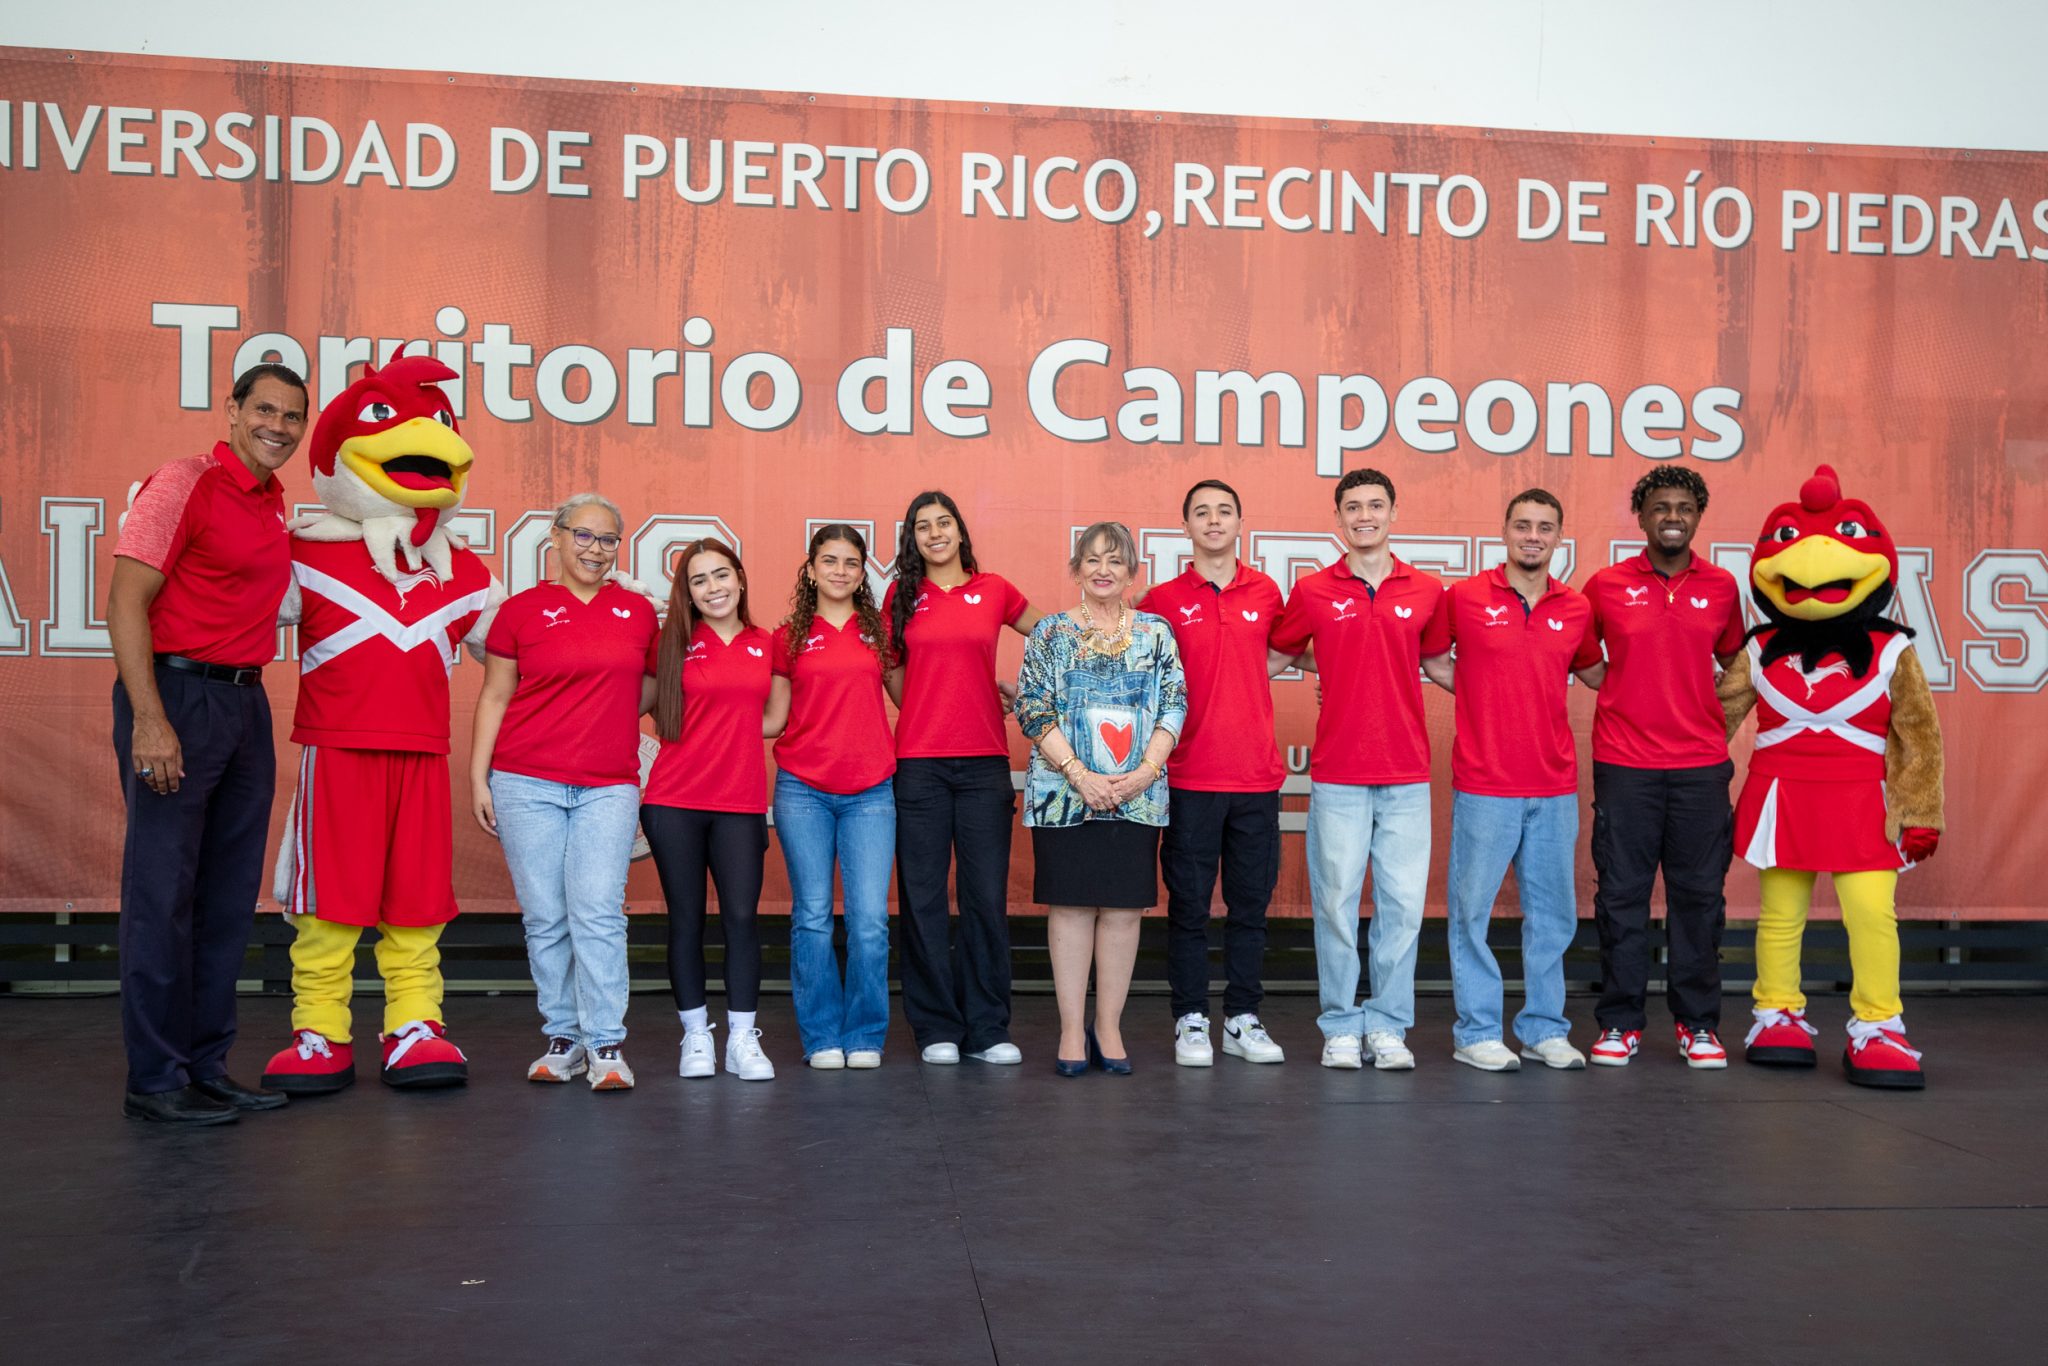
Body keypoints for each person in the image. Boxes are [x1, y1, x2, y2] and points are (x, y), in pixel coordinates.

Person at [107, 362, 307, 1124]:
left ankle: (206, 1066)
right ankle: (155, 1079)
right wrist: (150, 718)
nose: (278, 427)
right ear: (231, 410)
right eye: (264, 410)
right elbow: (125, 603)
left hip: (244, 702)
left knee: (226, 898)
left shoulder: (274, 504)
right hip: (176, 697)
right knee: (162, 897)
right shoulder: (185, 483)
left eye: (292, 416)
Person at [471, 493, 659, 1091]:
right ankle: (564, 1038)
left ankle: (606, 1043)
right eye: (584, 536)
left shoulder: (637, 613)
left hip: (608, 784)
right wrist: (480, 777)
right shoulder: (519, 611)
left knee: (598, 910)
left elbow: (649, 689)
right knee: (546, 915)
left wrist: (602, 716)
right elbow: (496, 696)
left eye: (607, 540)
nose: (595, 550)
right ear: (555, 536)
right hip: (525, 781)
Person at [1270, 467, 1451, 1072]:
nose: (1364, 515)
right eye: (1353, 507)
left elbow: (1442, 667)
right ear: (1339, 517)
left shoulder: (1426, 591)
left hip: (1406, 773)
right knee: (1337, 904)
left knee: (1401, 908)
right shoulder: (1314, 591)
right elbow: (1275, 654)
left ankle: (1390, 1025)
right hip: (1339, 773)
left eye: (1375, 505)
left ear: (1394, 513)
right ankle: (1342, 1025)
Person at [1577, 468, 1745, 1068]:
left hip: (1701, 769)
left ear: (1697, 516)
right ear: (1641, 517)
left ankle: (1697, 1025)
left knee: (1699, 898)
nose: (1672, 516)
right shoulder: (1606, 585)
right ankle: (1620, 1022)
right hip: (1625, 766)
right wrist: (1626, 698)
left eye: (1683, 507)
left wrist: (1706, 726)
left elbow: (1735, 666)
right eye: (1659, 507)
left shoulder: (1723, 587)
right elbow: (1582, 658)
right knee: (1621, 896)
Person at [1438, 489, 1603, 1072]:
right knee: (1471, 914)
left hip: (1555, 784)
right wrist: (1481, 696)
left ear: (1559, 536)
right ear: (1504, 532)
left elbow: (1594, 671)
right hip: (1485, 782)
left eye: (1545, 527)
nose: (1533, 536)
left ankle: (1543, 1029)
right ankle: (1477, 1031)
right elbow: (1435, 658)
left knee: (1553, 915)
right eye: (1523, 526)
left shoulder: (1577, 608)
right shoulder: (1463, 597)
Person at [1015, 521, 1186, 1076]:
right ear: (1077, 569)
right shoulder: (1050, 633)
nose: (1103, 570)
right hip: (1063, 794)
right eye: (1092, 560)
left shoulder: (1157, 633)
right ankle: (1070, 1029)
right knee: (1070, 906)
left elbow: (1174, 706)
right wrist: (1079, 773)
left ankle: (1108, 1025)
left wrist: (1145, 771)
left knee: (1121, 909)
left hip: (1138, 795)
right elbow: (1034, 709)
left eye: (1115, 560)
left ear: (1132, 569)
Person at [883, 491, 1041, 1066]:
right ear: (913, 539)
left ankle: (988, 1027)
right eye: (922, 527)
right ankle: (935, 1028)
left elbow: (1051, 639)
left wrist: (1020, 693)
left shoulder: (993, 589)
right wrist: (935, 703)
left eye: (943, 522)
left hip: (984, 767)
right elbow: (895, 679)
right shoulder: (901, 598)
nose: (934, 534)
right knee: (923, 899)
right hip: (919, 766)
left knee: (983, 899)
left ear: (959, 529)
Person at [1138, 479, 1287, 1067]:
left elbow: (1281, 654)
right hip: (1189, 776)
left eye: (1225, 510)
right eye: (1202, 512)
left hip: (1256, 778)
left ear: (1240, 521)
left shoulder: (1267, 591)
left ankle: (1244, 1017)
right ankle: (1192, 1018)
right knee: (1190, 908)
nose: (1214, 520)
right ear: (1187, 527)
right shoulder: (1163, 599)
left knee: (1250, 907)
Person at [642, 538, 787, 1081]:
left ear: (740, 579)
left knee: (742, 920)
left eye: (720, 575)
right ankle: (696, 1037)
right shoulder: (670, 643)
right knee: (686, 919)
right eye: (698, 580)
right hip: (673, 801)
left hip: (739, 802)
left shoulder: (766, 643)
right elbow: (623, 700)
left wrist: (727, 736)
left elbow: (774, 719)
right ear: (688, 593)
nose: (713, 588)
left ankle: (742, 1039)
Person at [772, 524, 897, 1069]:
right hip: (803, 791)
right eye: (830, 561)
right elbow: (774, 717)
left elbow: (915, 698)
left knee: (869, 920)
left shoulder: (881, 632)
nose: (841, 571)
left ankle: (866, 1033)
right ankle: (821, 1035)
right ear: (811, 568)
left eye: (851, 562)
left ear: (862, 570)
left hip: (872, 790)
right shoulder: (788, 637)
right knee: (814, 917)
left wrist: (985, 699)